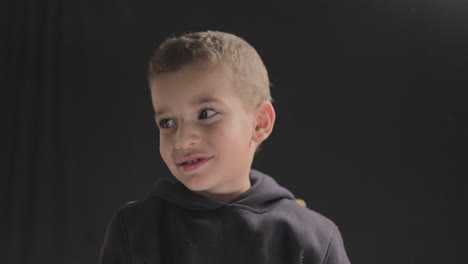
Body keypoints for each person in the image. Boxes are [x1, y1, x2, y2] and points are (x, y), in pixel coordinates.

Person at [99, 30, 351, 264]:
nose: (183, 139)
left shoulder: (311, 236)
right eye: (167, 122)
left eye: (206, 113)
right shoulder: (134, 229)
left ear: (259, 123)